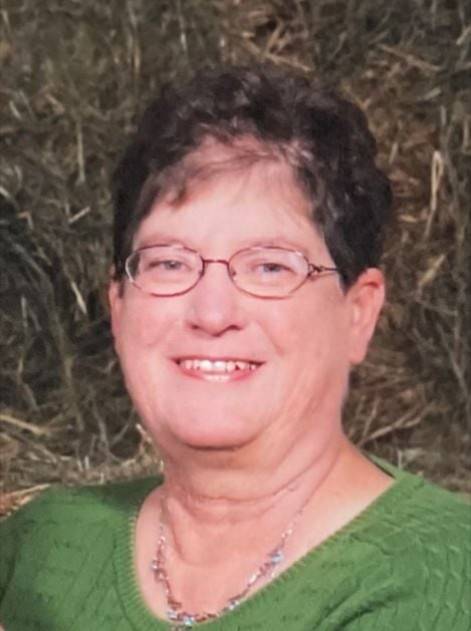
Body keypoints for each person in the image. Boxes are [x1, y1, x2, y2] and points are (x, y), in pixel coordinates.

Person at [1, 65, 470, 631]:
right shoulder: (40, 544)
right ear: (118, 305)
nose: (212, 313)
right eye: (169, 263)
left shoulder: (439, 575)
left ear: (358, 312)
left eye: (270, 267)